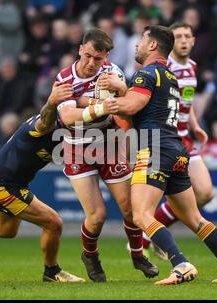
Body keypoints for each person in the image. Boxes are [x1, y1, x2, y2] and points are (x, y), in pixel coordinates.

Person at [114, 25, 217, 284]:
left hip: (155, 148)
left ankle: (181, 264)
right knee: (195, 218)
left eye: (141, 40)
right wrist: (122, 91)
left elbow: (131, 107)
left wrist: (101, 105)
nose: (136, 44)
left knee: (141, 215)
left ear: (152, 45)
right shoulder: (171, 76)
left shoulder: (145, 74)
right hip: (177, 149)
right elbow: (139, 111)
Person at [0, 82, 94, 283]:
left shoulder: (67, 131)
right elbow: (45, 120)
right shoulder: (46, 124)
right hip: (1, 185)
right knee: (53, 223)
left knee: (6, 230)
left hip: (5, 181)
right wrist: (51, 101)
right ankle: (52, 272)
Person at [56, 28, 159, 282]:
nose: (92, 63)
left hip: (109, 143)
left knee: (131, 210)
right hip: (77, 148)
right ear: (80, 49)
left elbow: (127, 112)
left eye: (98, 59)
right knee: (97, 216)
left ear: (107, 57)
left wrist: (123, 89)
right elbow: (68, 117)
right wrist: (98, 106)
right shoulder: (64, 78)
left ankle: (137, 255)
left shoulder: (113, 74)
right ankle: (90, 255)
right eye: (88, 56)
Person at [141, 22, 214, 259]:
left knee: (204, 194)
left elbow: (184, 101)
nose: (183, 40)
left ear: (193, 41)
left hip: (185, 139)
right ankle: (147, 238)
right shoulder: (163, 68)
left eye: (187, 36)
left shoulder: (192, 67)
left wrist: (195, 125)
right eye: (178, 36)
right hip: (166, 140)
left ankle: (149, 237)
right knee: (151, 204)